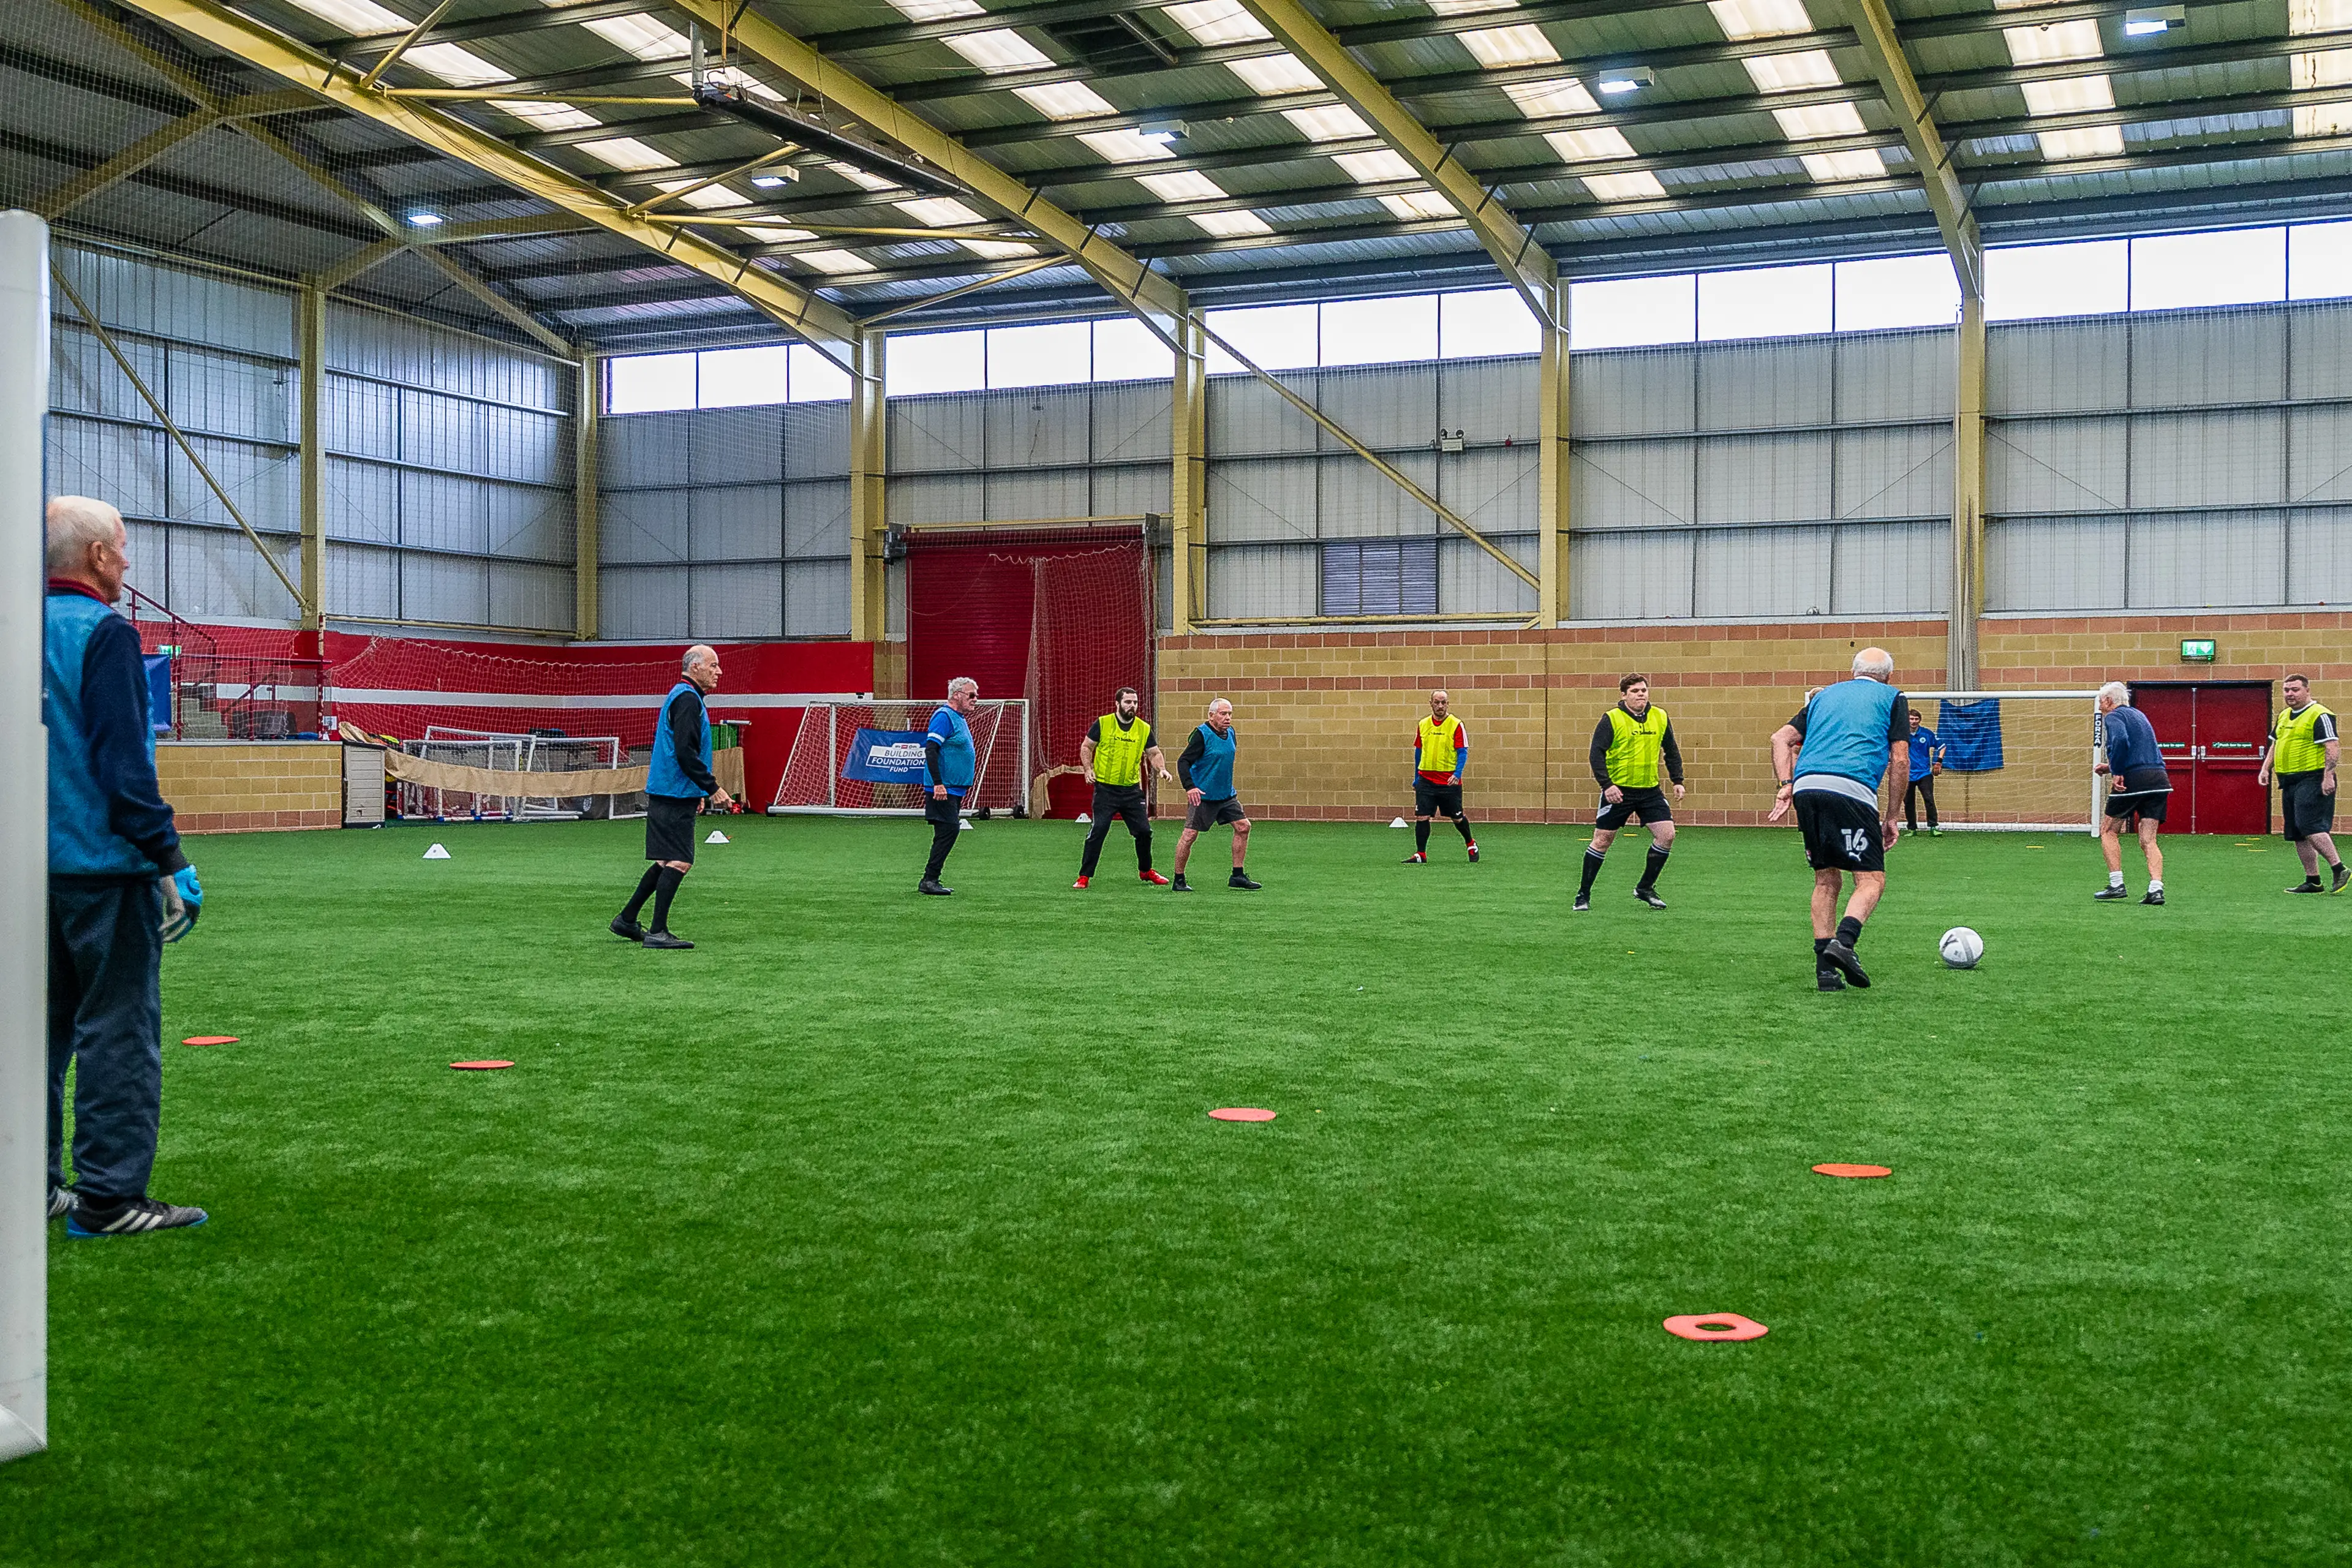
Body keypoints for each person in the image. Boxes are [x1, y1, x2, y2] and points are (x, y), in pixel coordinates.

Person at [44, 496, 208, 1236]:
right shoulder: (105, 635)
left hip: (26, 869)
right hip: (103, 869)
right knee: (116, 1029)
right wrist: (167, 858)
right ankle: (110, 1198)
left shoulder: (17, 629)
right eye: (121, 546)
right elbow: (122, 767)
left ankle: (33, 1180)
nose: (128, 559)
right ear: (97, 557)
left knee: (30, 1032)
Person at [1767, 648, 1909, 992]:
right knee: (1871, 880)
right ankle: (1844, 944)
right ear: (1888, 677)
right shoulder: (1893, 698)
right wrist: (1892, 816)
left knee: (1827, 881)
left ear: (1853, 671)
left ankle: (1826, 974)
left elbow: (1780, 738)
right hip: (1851, 788)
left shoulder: (1824, 695)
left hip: (1808, 789)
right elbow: (1901, 759)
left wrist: (1787, 785)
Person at [613, 644, 732, 948]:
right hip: (672, 791)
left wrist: (697, 791)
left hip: (671, 790)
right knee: (680, 860)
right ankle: (657, 931)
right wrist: (712, 787)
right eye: (713, 665)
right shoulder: (689, 700)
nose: (719, 672)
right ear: (695, 668)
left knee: (667, 859)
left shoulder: (681, 696)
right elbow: (685, 753)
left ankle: (627, 920)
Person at [1577, 674, 1684, 912]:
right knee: (1603, 840)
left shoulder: (1660, 716)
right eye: (1635, 691)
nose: (1641, 694)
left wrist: (1677, 780)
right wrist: (1608, 785)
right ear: (1624, 695)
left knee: (1667, 835)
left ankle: (1645, 888)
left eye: (1644, 690)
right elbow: (1596, 754)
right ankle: (1583, 895)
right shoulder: (1611, 719)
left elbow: (1671, 751)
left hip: (1650, 791)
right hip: (1619, 791)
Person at [1074, 685, 1173, 889]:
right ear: (1117, 703)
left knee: (1144, 832)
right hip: (1105, 790)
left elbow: (1154, 753)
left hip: (1131, 791)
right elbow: (1087, 747)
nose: (1132, 706)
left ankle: (1146, 871)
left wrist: (1162, 769)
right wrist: (1088, 769)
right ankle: (1084, 876)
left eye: (1135, 702)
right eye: (1128, 702)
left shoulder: (1143, 728)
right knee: (1099, 830)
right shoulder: (1103, 723)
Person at [2258, 673, 2343, 895]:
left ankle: (2339, 868)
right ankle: (2313, 881)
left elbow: (2332, 747)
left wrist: (2328, 775)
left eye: (2295, 690)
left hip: (2313, 778)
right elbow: (2275, 744)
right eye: (2287, 690)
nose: (2290, 694)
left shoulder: (2320, 714)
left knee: (2310, 826)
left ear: (2307, 690)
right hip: (2289, 780)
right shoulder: (2285, 716)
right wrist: (2266, 768)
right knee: (2297, 832)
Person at [1170, 698, 1259, 891]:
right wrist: (1190, 787)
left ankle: (1238, 876)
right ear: (1211, 715)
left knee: (1243, 827)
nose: (1228, 718)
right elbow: (1183, 761)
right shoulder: (1201, 735)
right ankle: (1179, 880)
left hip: (1226, 795)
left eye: (1230, 714)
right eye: (1223, 714)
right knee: (1190, 835)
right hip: (1203, 796)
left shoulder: (1232, 733)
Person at [2092, 682, 2168, 905]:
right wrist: (2109, 767)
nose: (2100, 705)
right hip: (2159, 779)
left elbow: (2121, 741)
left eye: (2100, 701)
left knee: (2108, 830)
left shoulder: (2114, 717)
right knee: (2148, 839)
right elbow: (2141, 749)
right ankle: (2156, 888)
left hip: (2134, 780)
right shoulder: (2139, 715)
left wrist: (2116, 771)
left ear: (2108, 700)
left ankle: (2116, 884)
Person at [919, 677, 981, 895]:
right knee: (950, 830)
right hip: (944, 788)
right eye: (971, 695)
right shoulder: (944, 716)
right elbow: (931, 750)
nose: (976, 699)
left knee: (946, 831)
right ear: (957, 695)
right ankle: (930, 879)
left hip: (954, 788)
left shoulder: (959, 718)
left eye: (976, 695)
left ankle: (931, 879)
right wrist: (938, 784)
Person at [1404, 689, 1477, 864]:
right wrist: (1416, 777)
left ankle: (1470, 843)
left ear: (1448, 704)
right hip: (1426, 780)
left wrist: (1457, 774)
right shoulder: (1423, 725)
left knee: (1457, 817)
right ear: (1431, 704)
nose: (1440, 706)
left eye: (1443, 702)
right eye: (1437, 702)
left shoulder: (1456, 724)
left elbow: (1462, 752)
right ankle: (1421, 854)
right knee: (1422, 816)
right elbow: (1418, 752)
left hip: (1448, 781)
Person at [1902, 708, 1943, 836]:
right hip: (1907, 774)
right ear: (1907, 720)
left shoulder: (1927, 734)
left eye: (1916, 719)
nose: (1914, 721)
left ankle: (1933, 827)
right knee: (1908, 802)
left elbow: (1942, 746)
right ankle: (1912, 828)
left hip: (1924, 773)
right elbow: (1891, 749)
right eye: (1911, 719)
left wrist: (1939, 761)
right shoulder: (1902, 734)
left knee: (1929, 799)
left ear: (1919, 720)